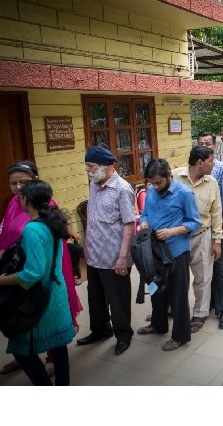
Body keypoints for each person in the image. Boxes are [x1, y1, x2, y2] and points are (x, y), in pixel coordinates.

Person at [0, 180, 74, 385]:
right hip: (57, 292)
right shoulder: (53, 221)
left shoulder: (32, 229)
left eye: (20, 196)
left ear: (25, 200)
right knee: (58, 347)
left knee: (22, 351)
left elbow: (33, 273)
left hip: (41, 296)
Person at [0, 160, 82, 376]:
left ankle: (47, 357)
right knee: (26, 318)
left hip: (42, 270)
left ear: (34, 181)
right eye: (13, 183)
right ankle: (32, 352)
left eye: (23, 182)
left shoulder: (42, 209)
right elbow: (6, 231)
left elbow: (54, 235)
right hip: (22, 268)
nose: (18, 188)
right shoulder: (13, 203)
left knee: (44, 316)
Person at [76, 146, 137, 356]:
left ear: (107, 166)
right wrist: (87, 246)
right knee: (95, 297)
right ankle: (101, 330)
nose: (88, 170)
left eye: (91, 166)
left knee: (117, 299)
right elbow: (93, 219)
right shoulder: (94, 184)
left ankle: (124, 335)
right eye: (87, 166)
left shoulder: (122, 189)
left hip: (114, 257)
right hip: (94, 254)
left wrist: (123, 258)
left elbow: (129, 224)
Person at [136, 159, 203, 352]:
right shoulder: (151, 191)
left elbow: (195, 222)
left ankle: (180, 336)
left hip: (176, 251)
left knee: (177, 294)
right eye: (152, 183)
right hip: (154, 251)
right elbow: (144, 213)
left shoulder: (184, 193)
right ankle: (158, 324)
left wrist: (172, 231)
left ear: (169, 176)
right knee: (155, 290)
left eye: (159, 182)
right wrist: (144, 222)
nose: (156, 186)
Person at [170, 146, 223, 333]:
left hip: (202, 236)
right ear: (200, 162)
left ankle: (200, 314)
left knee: (203, 277)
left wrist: (217, 241)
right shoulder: (175, 177)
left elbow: (216, 213)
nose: (213, 164)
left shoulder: (212, 182)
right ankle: (172, 309)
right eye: (211, 160)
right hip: (176, 237)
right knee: (175, 277)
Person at [196, 132, 223, 329]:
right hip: (197, 228)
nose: (205, 146)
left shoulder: (220, 169)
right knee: (202, 268)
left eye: (208, 143)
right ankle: (208, 304)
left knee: (220, 265)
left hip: (216, 226)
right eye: (201, 143)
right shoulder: (192, 169)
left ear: (215, 146)